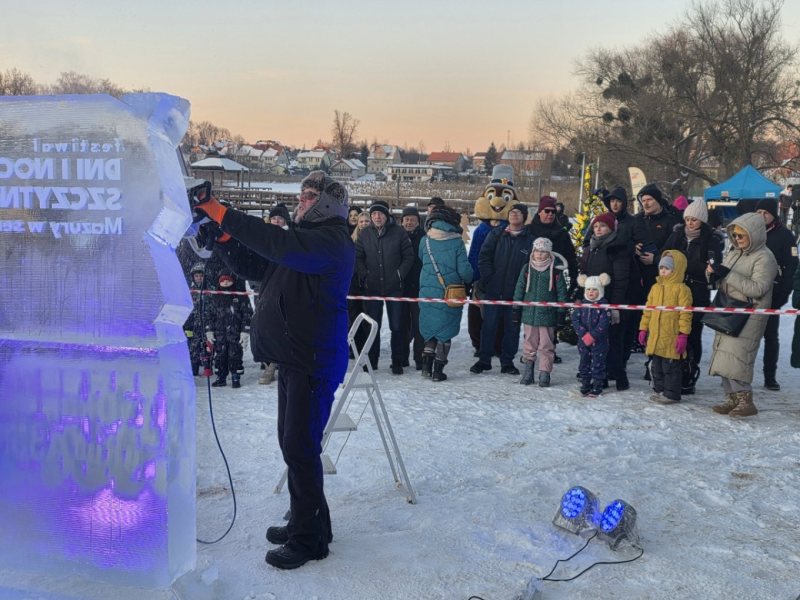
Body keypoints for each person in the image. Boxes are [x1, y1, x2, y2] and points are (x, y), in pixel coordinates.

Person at [194, 170, 354, 569]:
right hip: (296, 357)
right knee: (294, 444)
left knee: (300, 446)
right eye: (301, 194)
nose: (301, 201)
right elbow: (259, 266)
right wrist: (225, 240)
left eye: (310, 195)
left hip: (313, 359)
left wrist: (220, 211)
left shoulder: (330, 241)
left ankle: (308, 541)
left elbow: (275, 242)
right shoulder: (305, 242)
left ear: (328, 204)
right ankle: (311, 523)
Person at [706, 213, 778, 418]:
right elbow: (726, 279)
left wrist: (728, 274)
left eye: (741, 235)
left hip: (749, 314)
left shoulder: (765, 257)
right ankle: (731, 398)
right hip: (729, 308)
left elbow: (758, 288)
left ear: (754, 234)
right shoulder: (735, 252)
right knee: (723, 355)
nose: (737, 239)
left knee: (737, 357)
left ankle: (745, 400)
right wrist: (714, 275)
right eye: (735, 235)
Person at [662, 199, 724, 394]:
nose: (690, 223)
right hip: (675, 290)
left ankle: (689, 373)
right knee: (673, 332)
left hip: (697, 293)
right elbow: (664, 257)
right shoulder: (677, 234)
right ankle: (672, 374)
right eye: (687, 219)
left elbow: (714, 268)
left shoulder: (711, 239)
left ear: (702, 220)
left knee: (693, 334)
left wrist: (686, 266)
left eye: (694, 219)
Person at [471, 204, 533, 375]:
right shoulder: (496, 234)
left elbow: (531, 267)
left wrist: (523, 287)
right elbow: (484, 256)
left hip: (515, 294)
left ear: (524, 217)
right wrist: (489, 278)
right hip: (493, 290)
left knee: (512, 329)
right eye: (512, 212)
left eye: (518, 212)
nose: (514, 214)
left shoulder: (530, 240)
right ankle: (484, 360)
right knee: (488, 326)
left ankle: (507, 362)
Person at [355, 200, 415, 373]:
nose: (377, 217)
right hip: (372, 287)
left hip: (394, 287)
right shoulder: (365, 234)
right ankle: (371, 361)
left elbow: (409, 256)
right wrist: (365, 275)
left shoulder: (399, 232)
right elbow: (358, 257)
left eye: (380, 213)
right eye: (373, 214)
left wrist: (399, 274)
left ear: (386, 215)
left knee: (397, 326)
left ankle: (397, 362)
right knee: (373, 326)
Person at [418, 204, 473, 381]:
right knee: (445, 331)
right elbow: (465, 272)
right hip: (449, 292)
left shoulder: (425, 240)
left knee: (430, 329)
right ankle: (438, 371)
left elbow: (421, 258)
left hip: (427, 291)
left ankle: (426, 367)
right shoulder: (456, 242)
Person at [580, 211, 634, 390]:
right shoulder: (590, 248)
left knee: (613, 342)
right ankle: (600, 376)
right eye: (595, 226)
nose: (598, 229)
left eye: (602, 226)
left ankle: (620, 377)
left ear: (610, 228)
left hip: (611, 301)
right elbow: (585, 273)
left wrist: (615, 306)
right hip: (593, 302)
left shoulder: (618, 248)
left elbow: (621, 279)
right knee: (596, 342)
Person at [755, 197, 799, 390]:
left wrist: (783, 293)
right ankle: (739, 375)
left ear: (773, 214)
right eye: (759, 212)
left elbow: (792, 266)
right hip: (749, 293)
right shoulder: (750, 231)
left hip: (772, 293)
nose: (762, 216)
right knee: (744, 337)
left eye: (766, 213)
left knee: (770, 337)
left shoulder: (785, 235)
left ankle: (770, 376)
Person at [637, 251, 693, 404]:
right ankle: (660, 390)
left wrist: (683, 334)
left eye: (667, 268)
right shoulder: (655, 288)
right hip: (656, 336)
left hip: (671, 336)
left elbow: (685, 314)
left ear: (677, 270)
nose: (663, 271)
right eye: (661, 268)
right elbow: (648, 311)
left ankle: (671, 394)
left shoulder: (682, 289)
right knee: (656, 367)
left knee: (671, 368)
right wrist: (643, 328)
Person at [513, 237, 568, 387]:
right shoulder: (527, 268)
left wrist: (561, 312)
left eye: (543, 252)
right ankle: (528, 372)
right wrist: (516, 308)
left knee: (546, 345)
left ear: (549, 253)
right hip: (529, 314)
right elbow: (519, 287)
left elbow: (562, 292)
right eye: (537, 251)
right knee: (529, 344)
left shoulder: (555, 270)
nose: (539, 254)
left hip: (547, 315)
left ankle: (545, 373)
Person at [258, 204, 292, 385]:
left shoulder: (291, 237)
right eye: (273, 218)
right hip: (266, 286)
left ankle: (282, 362)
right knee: (267, 326)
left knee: (285, 327)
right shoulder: (264, 236)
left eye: (280, 218)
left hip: (286, 286)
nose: (276, 221)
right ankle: (269, 363)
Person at [206, 271, 252, 388]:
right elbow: (210, 316)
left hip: (235, 333)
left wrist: (245, 331)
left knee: (235, 355)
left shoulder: (240, 296)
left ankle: (236, 377)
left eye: (228, 280)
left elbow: (247, 314)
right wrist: (209, 330)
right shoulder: (215, 297)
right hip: (220, 334)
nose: (226, 283)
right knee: (220, 356)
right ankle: (221, 377)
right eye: (223, 280)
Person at [572, 273, 612, 397]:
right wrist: (583, 334)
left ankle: (597, 386)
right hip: (583, 341)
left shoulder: (604, 307)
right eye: (588, 289)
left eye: (594, 289)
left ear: (600, 291)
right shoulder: (581, 306)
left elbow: (604, 323)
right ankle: (585, 384)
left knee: (597, 363)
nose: (591, 292)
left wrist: (593, 335)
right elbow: (575, 320)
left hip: (599, 342)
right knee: (584, 362)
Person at [401, 206, 425, 371]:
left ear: (418, 222)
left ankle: (419, 358)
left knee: (419, 326)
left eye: (412, 220)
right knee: (401, 326)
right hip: (400, 288)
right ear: (402, 221)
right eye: (406, 219)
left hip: (419, 288)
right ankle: (402, 357)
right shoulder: (397, 236)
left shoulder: (424, 237)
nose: (409, 222)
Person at [347, 212, 372, 362]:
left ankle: (365, 348)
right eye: (361, 221)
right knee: (353, 316)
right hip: (353, 284)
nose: (363, 224)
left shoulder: (373, 239)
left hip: (367, 283)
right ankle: (353, 347)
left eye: (366, 221)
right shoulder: (351, 240)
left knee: (367, 317)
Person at [184, 261, 211, 376]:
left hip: (207, 325)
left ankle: (207, 367)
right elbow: (187, 311)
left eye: (201, 276)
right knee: (193, 349)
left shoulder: (210, 290)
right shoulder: (190, 292)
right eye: (196, 276)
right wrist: (187, 326)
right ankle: (193, 369)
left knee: (207, 348)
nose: (199, 278)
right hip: (193, 325)